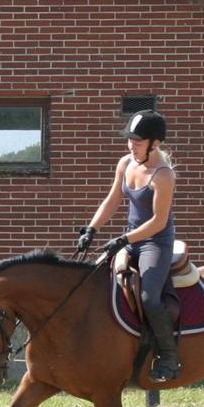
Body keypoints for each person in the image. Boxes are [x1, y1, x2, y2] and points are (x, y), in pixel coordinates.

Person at [76, 109, 180, 382]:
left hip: (154, 244)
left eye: (138, 141)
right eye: (130, 140)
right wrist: (91, 228)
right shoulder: (125, 163)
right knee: (90, 281)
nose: (131, 145)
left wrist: (124, 239)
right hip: (130, 239)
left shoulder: (163, 175)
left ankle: (169, 357)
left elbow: (158, 222)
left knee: (148, 298)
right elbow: (112, 200)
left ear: (154, 143)